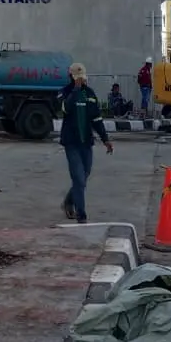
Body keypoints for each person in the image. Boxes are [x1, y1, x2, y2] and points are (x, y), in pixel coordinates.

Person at [58, 63, 113, 224]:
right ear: (71, 78)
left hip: (86, 143)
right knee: (79, 179)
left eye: (82, 79)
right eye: (77, 79)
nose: (80, 81)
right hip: (71, 143)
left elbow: (96, 119)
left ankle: (69, 201)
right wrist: (74, 90)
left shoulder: (90, 94)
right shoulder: (65, 93)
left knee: (84, 175)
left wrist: (106, 139)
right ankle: (81, 215)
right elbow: (65, 109)